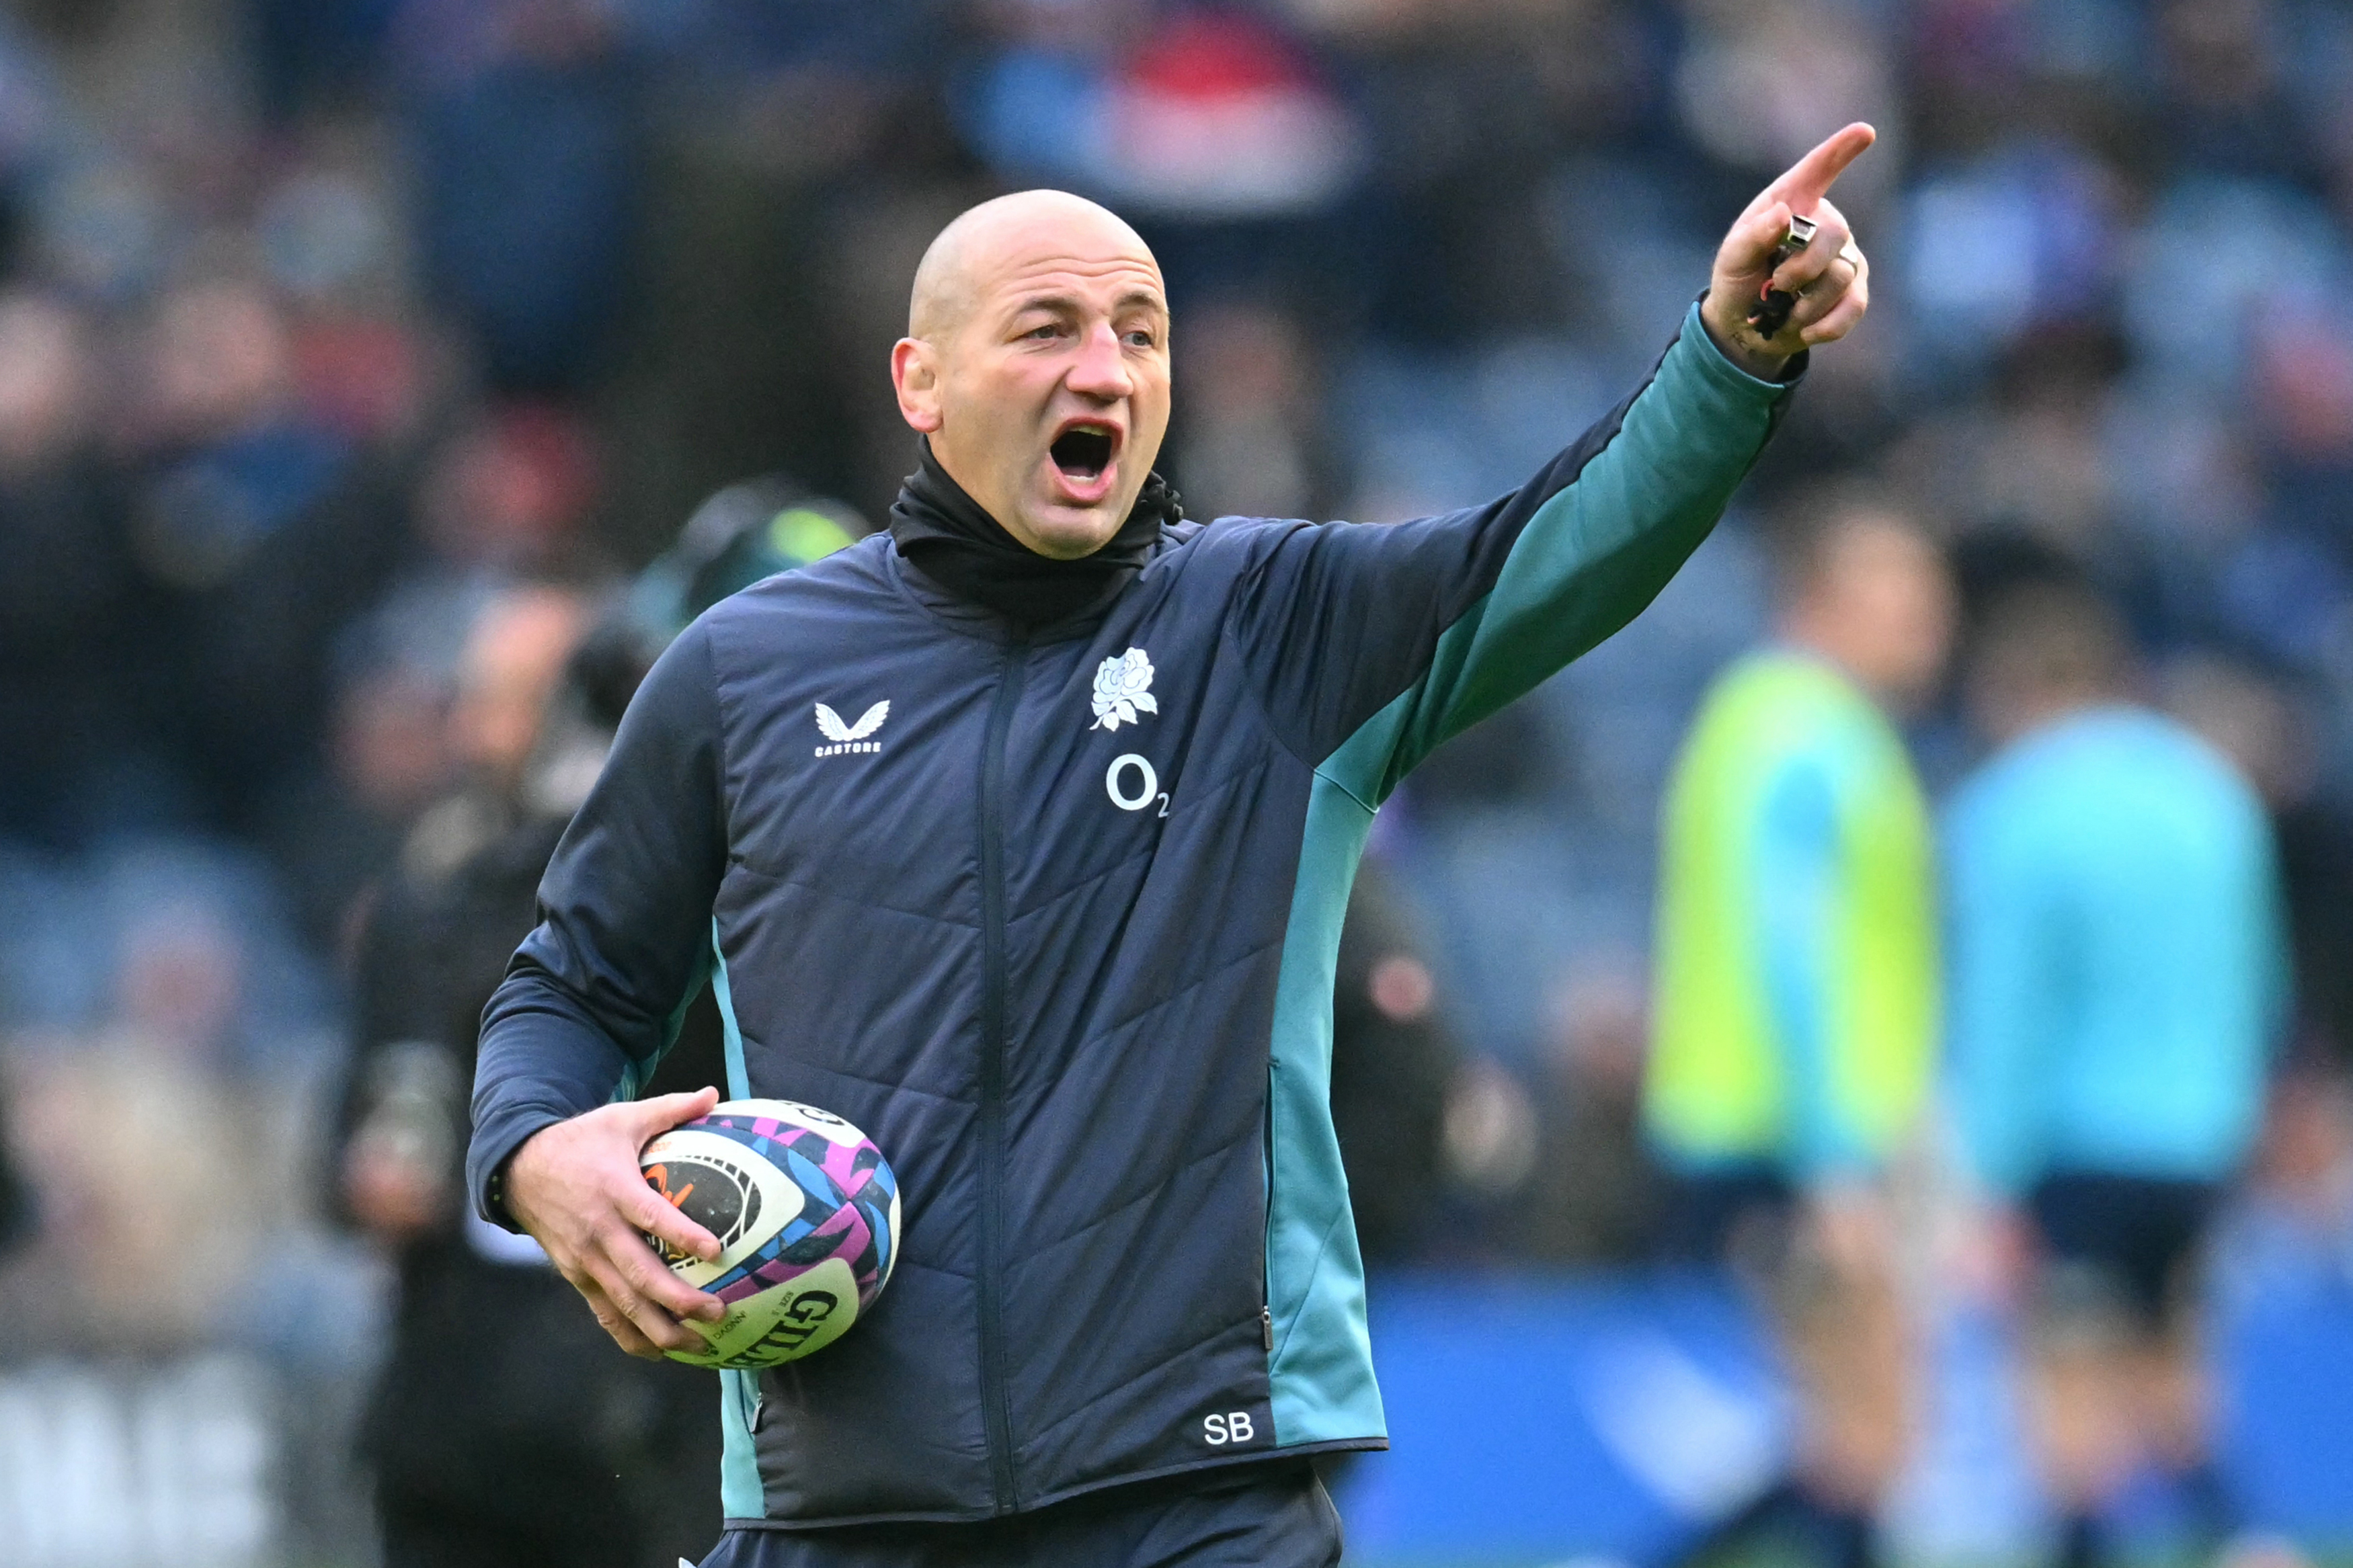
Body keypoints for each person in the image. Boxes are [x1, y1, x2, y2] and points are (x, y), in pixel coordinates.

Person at [465, 126, 1880, 1568]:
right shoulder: (739, 674)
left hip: (1196, 1507)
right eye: (1048, 329)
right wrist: (537, 1154)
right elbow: (572, 991)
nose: (1107, 368)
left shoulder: (1269, 626)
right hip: (843, 1510)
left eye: (1140, 333)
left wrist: (1729, 356)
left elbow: (1564, 546)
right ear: (921, 384)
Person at [1945, 579, 2287, 1568]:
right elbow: (2260, 981)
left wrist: (1989, 1180)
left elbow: (2006, 1010)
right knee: (2178, 1374)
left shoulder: (2012, 806)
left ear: (2012, 688)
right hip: (2201, 1141)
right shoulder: (2211, 792)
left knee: (2068, 1399)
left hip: (2074, 1149)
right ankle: (2249, 1540)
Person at [1644, 491, 1954, 1568]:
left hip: (1782, 1122)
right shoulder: (1803, 732)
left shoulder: (1769, 722)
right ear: (1818, 597)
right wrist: (1836, 1163)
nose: (1931, 618)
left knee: (1851, 1433)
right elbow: (1797, 946)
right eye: (1901, 593)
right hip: (1797, 1131)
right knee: (1869, 1425)